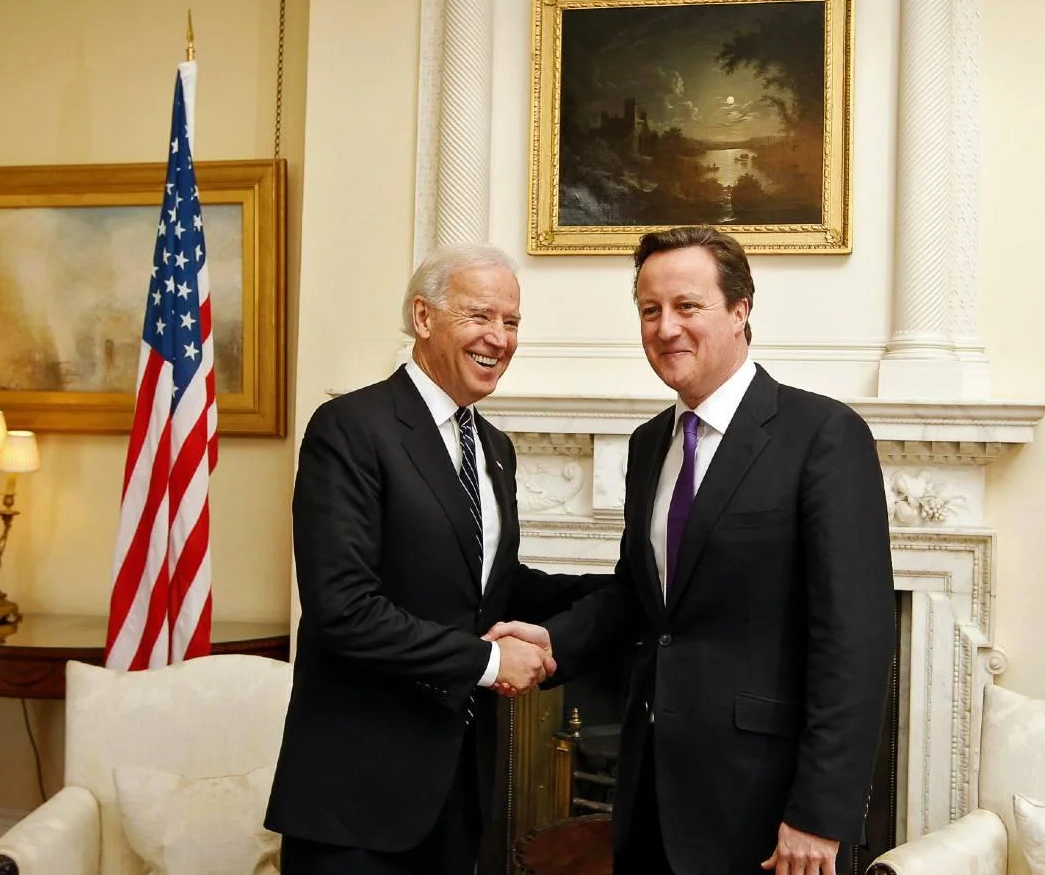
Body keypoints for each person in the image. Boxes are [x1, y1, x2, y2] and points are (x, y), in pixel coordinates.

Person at [492, 226, 896, 875]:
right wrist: (550, 641)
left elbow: (857, 640)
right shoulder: (650, 444)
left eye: (687, 306)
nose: (665, 327)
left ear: (740, 311)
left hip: (769, 811)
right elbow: (640, 599)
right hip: (653, 792)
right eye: (649, 310)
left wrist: (821, 813)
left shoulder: (822, 435)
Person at [265, 243, 602, 874]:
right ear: (424, 318)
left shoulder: (493, 447)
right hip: (355, 802)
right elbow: (344, 610)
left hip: (458, 790)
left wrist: (622, 590)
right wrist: (492, 659)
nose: (499, 338)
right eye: (480, 317)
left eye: (511, 322)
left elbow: (488, 589)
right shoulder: (351, 427)